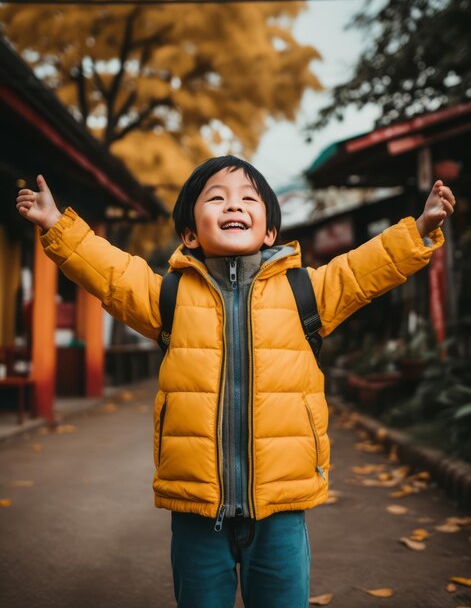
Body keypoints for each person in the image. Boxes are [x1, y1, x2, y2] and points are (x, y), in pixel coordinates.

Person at [16, 156, 455, 608]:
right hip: (197, 508)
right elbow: (111, 274)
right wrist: (55, 224)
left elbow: (364, 270)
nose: (234, 206)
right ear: (190, 233)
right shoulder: (167, 297)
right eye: (217, 198)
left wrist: (418, 230)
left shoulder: (306, 292)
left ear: (268, 232)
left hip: (281, 507)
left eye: (249, 199)